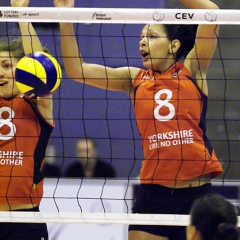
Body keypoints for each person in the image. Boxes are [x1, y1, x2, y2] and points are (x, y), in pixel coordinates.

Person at [54, 0, 223, 239]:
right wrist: (64, 19)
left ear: (173, 45)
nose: (143, 41)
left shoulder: (192, 69)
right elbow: (76, 70)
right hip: (154, 194)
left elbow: (211, 13)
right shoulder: (134, 80)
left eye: (152, 36)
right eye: (142, 37)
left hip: (195, 195)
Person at [0, 0, 58, 239]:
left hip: (24, 221)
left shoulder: (36, 102)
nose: (0, 73)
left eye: (6, 65)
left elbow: (39, 64)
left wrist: (22, 15)